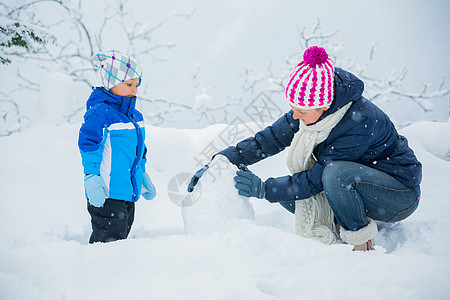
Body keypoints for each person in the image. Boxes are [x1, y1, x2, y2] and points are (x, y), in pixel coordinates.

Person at [188, 46, 422, 251]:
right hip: (360, 186)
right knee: (292, 197)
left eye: (302, 111)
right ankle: (342, 221)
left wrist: (263, 189)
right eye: (293, 108)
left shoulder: (359, 121)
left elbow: (319, 178)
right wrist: (217, 164)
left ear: (325, 105)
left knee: (332, 175)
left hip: (398, 195)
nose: (295, 115)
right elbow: (266, 141)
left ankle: (360, 243)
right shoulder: (309, 110)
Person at [78, 50, 156, 244]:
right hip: (106, 193)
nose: (134, 90)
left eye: (137, 85)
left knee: (120, 242)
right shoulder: (100, 114)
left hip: (128, 193)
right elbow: (89, 144)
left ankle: (113, 272)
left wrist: (142, 174)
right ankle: (97, 271)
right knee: (108, 244)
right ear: (111, 82)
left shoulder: (135, 117)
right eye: (129, 84)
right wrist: (91, 176)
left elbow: (139, 150)